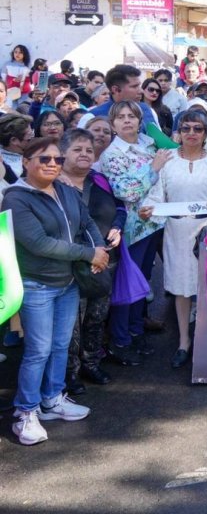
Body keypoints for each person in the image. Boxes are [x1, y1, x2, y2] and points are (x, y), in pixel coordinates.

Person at [1, 137, 109, 445]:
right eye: (44, 159)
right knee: (38, 350)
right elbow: (39, 243)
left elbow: (87, 223)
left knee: (60, 346)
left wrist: (99, 249)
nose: (52, 164)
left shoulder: (65, 190)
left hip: (68, 283)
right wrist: (88, 254)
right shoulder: (16, 199)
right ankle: (26, 412)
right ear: (26, 162)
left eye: (57, 160)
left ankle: (52, 399)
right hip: (37, 285)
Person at [142, 111, 207, 368]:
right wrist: (148, 209)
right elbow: (156, 196)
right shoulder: (168, 161)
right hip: (177, 232)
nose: (191, 133)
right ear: (178, 133)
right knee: (181, 288)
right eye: (186, 128)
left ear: (205, 134)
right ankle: (184, 341)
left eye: (197, 129)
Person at [99, 101, 172, 366]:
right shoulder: (111, 154)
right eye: (121, 117)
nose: (127, 120)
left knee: (143, 280)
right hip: (133, 227)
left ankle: (136, 329)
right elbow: (126, 191)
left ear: (140, 120)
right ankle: (121, 338)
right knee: (127, 283)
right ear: (113, 124)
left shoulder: (149, 143)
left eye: (132, 116)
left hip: (156, 222)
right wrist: (153, 168)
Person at [58, 129, 125, 392]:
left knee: (97, 317)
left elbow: (120, 207)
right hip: (73, 264)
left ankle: (91, 363)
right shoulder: (54, 184)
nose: (85, 154)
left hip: (105, 260)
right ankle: (70, 372)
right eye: (77, 149)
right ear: (63, 154)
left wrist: (118, 226)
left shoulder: (100, 180)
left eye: (88, 150)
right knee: (72, 323)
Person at [0, 112, 34, 178]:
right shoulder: (16, 170)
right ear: (14, 140)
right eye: (30, 135)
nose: (33, 138)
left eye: (33, 133)